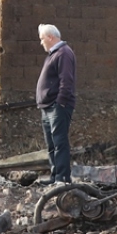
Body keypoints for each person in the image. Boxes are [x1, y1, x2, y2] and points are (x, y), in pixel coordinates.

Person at [35, 23, 76, 184]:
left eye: (42, 39)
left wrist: (60, 102)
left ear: (50, 37)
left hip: (57, 106)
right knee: (51, 144)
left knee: (59, 142)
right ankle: (55, 176)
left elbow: (66, 81)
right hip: (47, 107)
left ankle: (63, 178)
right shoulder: (54, 54)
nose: (41, 42)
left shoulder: (63, 53)